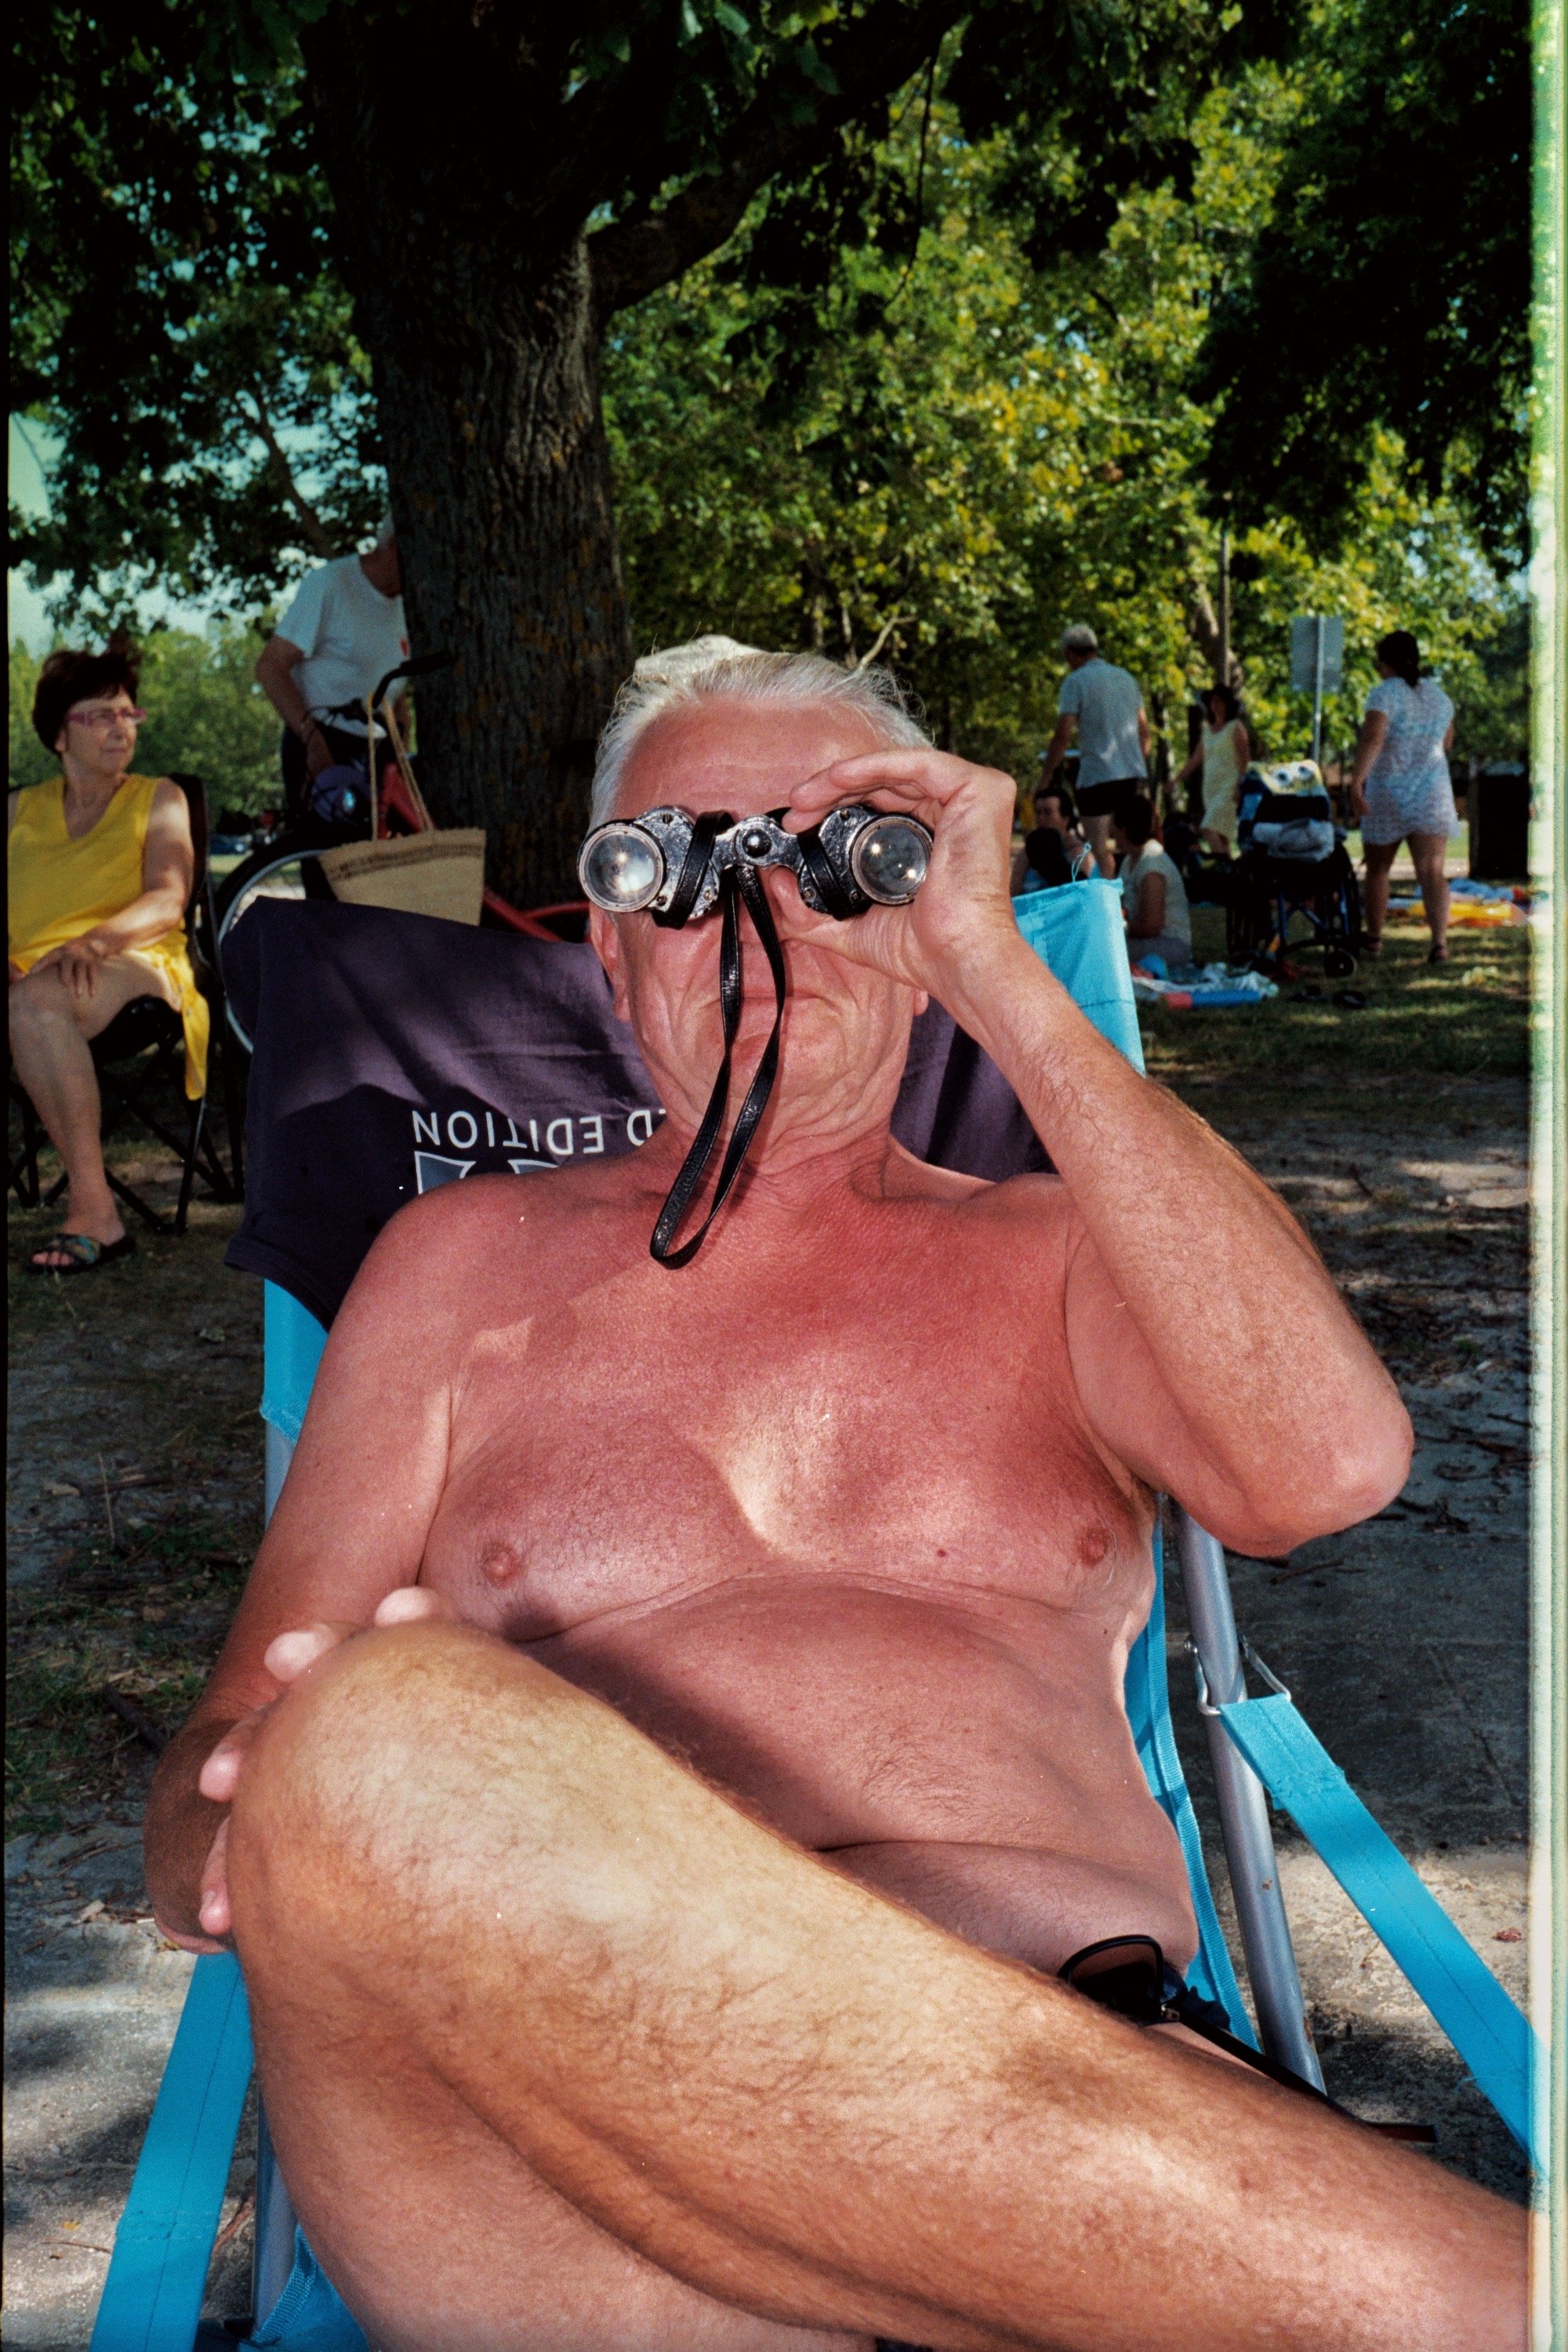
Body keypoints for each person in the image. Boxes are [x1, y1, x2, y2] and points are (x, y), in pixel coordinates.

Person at [145, 647, 1522, 2352]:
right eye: (688, 863)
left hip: (1065, 2071)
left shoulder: (1058, 1258)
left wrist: (995, 964)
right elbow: (225, 1747)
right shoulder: (451, 1271)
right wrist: (257, 1837)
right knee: (374, 1735)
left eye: (832, 863)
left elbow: (1325, 1467)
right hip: (552, 2158)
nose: (759, 922)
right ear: (611, 939)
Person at [9, 648, 208, 1275]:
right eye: (100, 716)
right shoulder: (16, 809)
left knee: (36, 1002)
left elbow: (168, 899)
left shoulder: (160, 797)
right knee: (29, 996)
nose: (122, 726)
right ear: (59, 734)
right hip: (29, 972)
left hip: (131, 957)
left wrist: (92, 942)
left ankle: (96, 1213)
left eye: (129, 713)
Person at [254, 517, 410, 826]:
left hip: (379, 749)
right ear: (393, 547)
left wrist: (402, 758)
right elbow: (271, 667)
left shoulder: (410, 604)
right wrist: (313, 741)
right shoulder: (332, 583)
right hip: (323, 740)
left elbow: (396, 695)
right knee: (330, 865)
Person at [1346, 631, 1457, 962]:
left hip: (1388, 791)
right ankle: (1439, 944)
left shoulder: (1384, 695)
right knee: (1432, 871)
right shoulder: (1440, 698)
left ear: (1384, 662)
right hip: (1432, 791)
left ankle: (1375, 939)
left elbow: (1373, 737)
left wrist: (1356, 782)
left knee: (1379, 868)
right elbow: (1447, 743)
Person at [1037, 624, 1151, 880]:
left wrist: (1045, 778)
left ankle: (1111, 904)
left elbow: (1063, 735)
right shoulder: (1126, 678)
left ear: (1069, 654)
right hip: (1130, 777)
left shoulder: (1075, 682)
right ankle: (1136, 897)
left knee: (1100, 851)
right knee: (1135, 847)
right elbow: (1145, 733)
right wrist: (1135, 764)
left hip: (1097, 777)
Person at [1112, 791, 1193, 972]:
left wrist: (1115, 927)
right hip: (1147, 941)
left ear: (1123, 828)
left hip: (1170, 944)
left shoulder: (1152, 863)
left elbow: (1152, 926)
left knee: (1105, 950)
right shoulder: (1130, 859)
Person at [1176, 684, 1251, 856]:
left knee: (1207, 828)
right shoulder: (1206, 731)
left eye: (1219, 700)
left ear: (1227, 704)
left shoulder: (1236, 728)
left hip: (1229, 788)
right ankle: (1224, 874)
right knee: (1221, 838)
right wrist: (1176, 780)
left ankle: (1225, 864)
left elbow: (1246, 761)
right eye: (1212, 701)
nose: (1215, 704)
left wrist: (1241, 786)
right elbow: (1195, 760)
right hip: (1210, 789)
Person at [1009, 779, 1085, 895]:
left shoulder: (1079, 854)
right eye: (1038, 812)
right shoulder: (1027, 853)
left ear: (1065, 819)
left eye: (1048, 813)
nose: (1041, 818)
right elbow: (1014, 891)